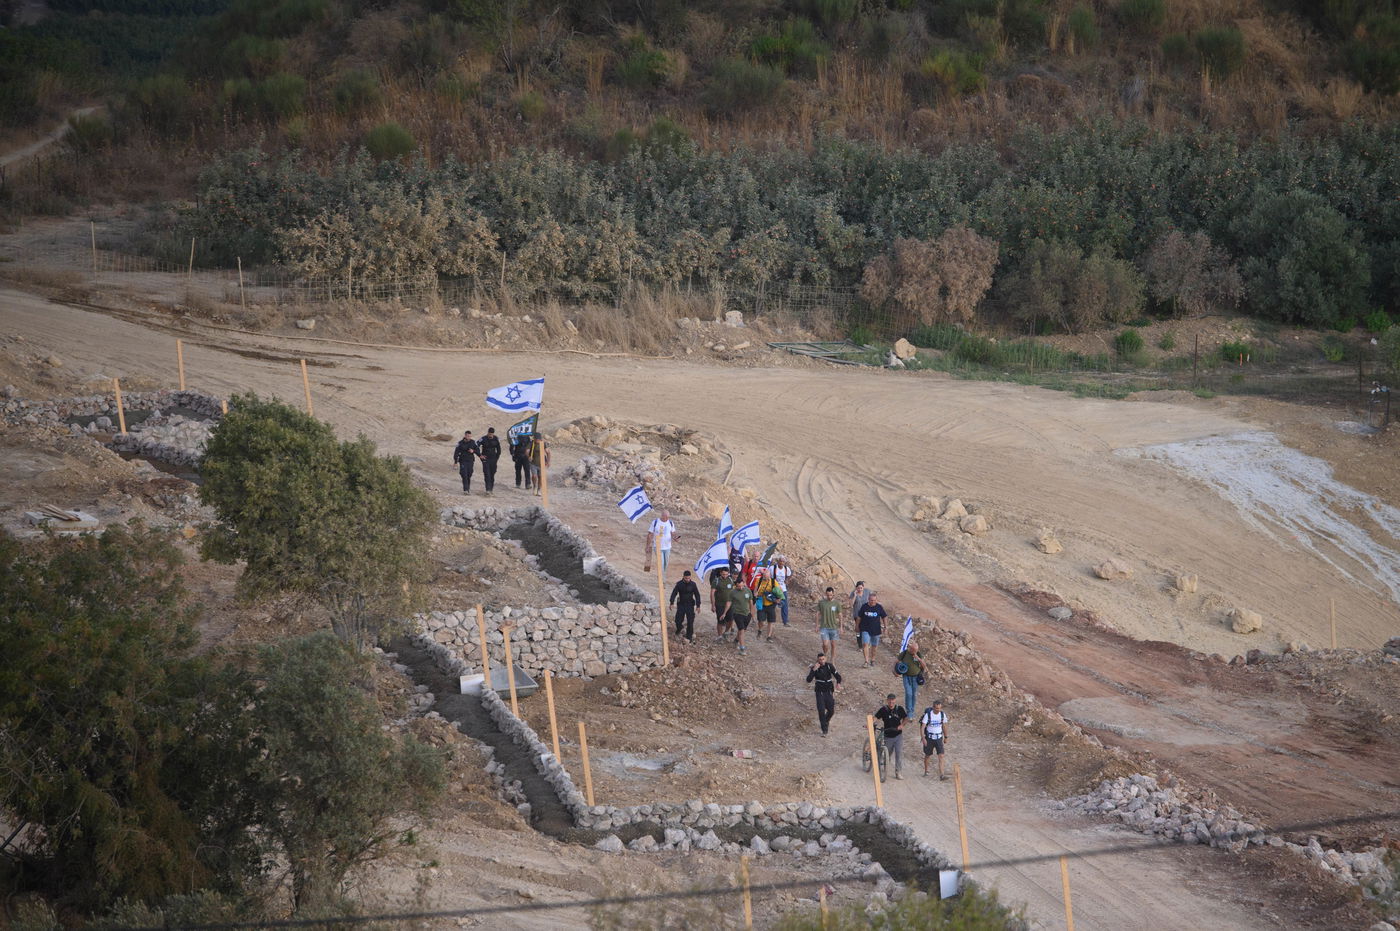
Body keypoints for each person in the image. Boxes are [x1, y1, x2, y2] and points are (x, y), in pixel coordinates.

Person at [805, 653, 842, 736]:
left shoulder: (829, 666)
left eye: (823, 659)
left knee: (831, 711)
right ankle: (824, 730)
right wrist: (814, 670)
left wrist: (838, 683)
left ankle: (826, 721)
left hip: (829, 691)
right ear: (817, 660)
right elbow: (808, 680)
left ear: (825, 659)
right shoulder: (815, 668)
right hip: (819, 692)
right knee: (821, 710)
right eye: (820, 659)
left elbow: (838, 676)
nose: (821, 661)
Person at [874, 693, 908, 779]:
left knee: (899, 754)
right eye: (889, 700)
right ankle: (884, 769)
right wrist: (870, 723)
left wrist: (902, 725)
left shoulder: (899, 709)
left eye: (892, 700)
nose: (891, 702)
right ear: (887, 700)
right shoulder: (883, 709)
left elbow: (906, 718)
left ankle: (898, 772)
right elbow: (876, 717)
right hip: (888, 736)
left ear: (895, 700)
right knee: (887, 754)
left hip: (898, 735)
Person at [920, 699, 950, 780]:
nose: (938, 710)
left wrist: (946, 737)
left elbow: (944, 726)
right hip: (929, 738)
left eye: (940, 708)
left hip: (939, 738)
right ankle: (926, 771)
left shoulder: (942, 715)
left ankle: (942, 775)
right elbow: (923, 727)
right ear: (933, 707)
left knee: (941, 755)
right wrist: (923, 738)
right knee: (927, 755)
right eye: (937, 708)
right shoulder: (928, 715)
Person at [668, 569, 701, 643]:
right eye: (686, 578)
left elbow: (697, 595)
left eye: (689, 578)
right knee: (678, 620)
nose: (687, 579)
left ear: (690, 577)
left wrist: (698, 605)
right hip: (681, 604)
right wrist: (671, 602)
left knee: (690, 621)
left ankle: (689, 637)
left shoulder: (693, 584)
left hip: (690, 605)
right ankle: (680, 629)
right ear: (683, 577)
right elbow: (674, 593)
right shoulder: (679, 584)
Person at [752, 566, 782, 643]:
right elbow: (755, 590)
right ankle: (760, 630)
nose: (765, 578)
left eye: (767, 576)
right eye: (764, 576)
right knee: (761, 620)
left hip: (771, 604)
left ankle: (768, 636)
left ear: (770, 576)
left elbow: (780, 591)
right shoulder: (759, 580)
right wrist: (755, 594)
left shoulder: (773, 582)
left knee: (770, 621)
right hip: (761, 603)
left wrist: (779, 599)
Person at [857, 591, 886, 668]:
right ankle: (866, 661)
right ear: (868, 599)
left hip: (876, 630)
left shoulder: (879, 607)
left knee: (874, 646)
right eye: (871, 600)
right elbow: (859, 617)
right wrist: (857, 626)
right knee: (865, 644)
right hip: (865, 629)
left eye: (874, 600)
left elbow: (884, 617)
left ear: (876, 600)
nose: (872, 602)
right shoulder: (864, 606)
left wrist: (886, 627)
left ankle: (872, 659)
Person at [896, 640, 924, 715]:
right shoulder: (904, 653)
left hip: (915, 677)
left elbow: (924, 666)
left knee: (914, 694)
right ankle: (909, 712)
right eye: (913, 650)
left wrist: (918, 659)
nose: (914, 652)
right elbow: (896, 661)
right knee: (908, 693)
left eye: (916, 650)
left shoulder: (918, 654)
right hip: (906, 676)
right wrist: (894, 671)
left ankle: (912, 710)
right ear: (910, 648)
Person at [727, 582, 754, 655]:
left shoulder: (748, 590)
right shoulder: (732, 592)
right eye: (739, 586)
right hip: (737, 613)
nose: (741, 588)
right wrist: (724, 612)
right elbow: (729, 602)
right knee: (741, 630)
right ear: (736, 586)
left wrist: (752, 613)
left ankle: (736, 640)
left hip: (747, 613)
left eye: (742, 586)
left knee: (743, 630)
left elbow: (751, 602)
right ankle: (742, 648)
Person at [816, 586, 843, 659]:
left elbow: (840, 615)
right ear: (825, 594)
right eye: (828, 595)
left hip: (834, 627)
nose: (829, 596)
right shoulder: (821, 603)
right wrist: (817, 625)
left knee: (833, 644)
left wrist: (841, 627)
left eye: (831, 595)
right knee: (825, 644)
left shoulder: (837, 603)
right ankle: (825, 654)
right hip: (824, 627)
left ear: (833, 594)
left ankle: (832, 660)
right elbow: (818, 613)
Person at [710, 566, 736, 641]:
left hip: (730, 604)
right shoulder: (716, 581)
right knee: (720, 621)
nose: (725, 576)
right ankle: (720, 636)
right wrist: (713, 605)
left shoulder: (731, 580)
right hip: (719, 604)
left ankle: (726, 632)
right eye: (723, 574)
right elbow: (712, 593)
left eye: (726, 574)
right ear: (721, 573)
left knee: (730, 620)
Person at [478, 427, 502, 496]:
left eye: (492, 434)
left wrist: (496, 458)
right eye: (489, 434)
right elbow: (476, 445)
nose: (490, 435)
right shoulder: (483, 438)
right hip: (485, 459)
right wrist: (480, 455)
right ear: (487, 433)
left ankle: (491, 489)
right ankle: (487, 489)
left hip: (493, 459)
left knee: (492, 474)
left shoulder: (496, 438)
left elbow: (499, 449)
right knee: (487, 474)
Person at [771, 555, 793, 626]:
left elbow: (790, 575)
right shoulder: (773, 568)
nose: (781, 563)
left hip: (783, 589)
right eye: (780, 561)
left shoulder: (786, 569)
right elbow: (768, 576)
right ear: (778, 561)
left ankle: (785, 621)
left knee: (785, 605)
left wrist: (787, 580)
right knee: (772, 604)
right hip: (774, 589)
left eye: (783, 561)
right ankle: (770, 620)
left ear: (784, 562)